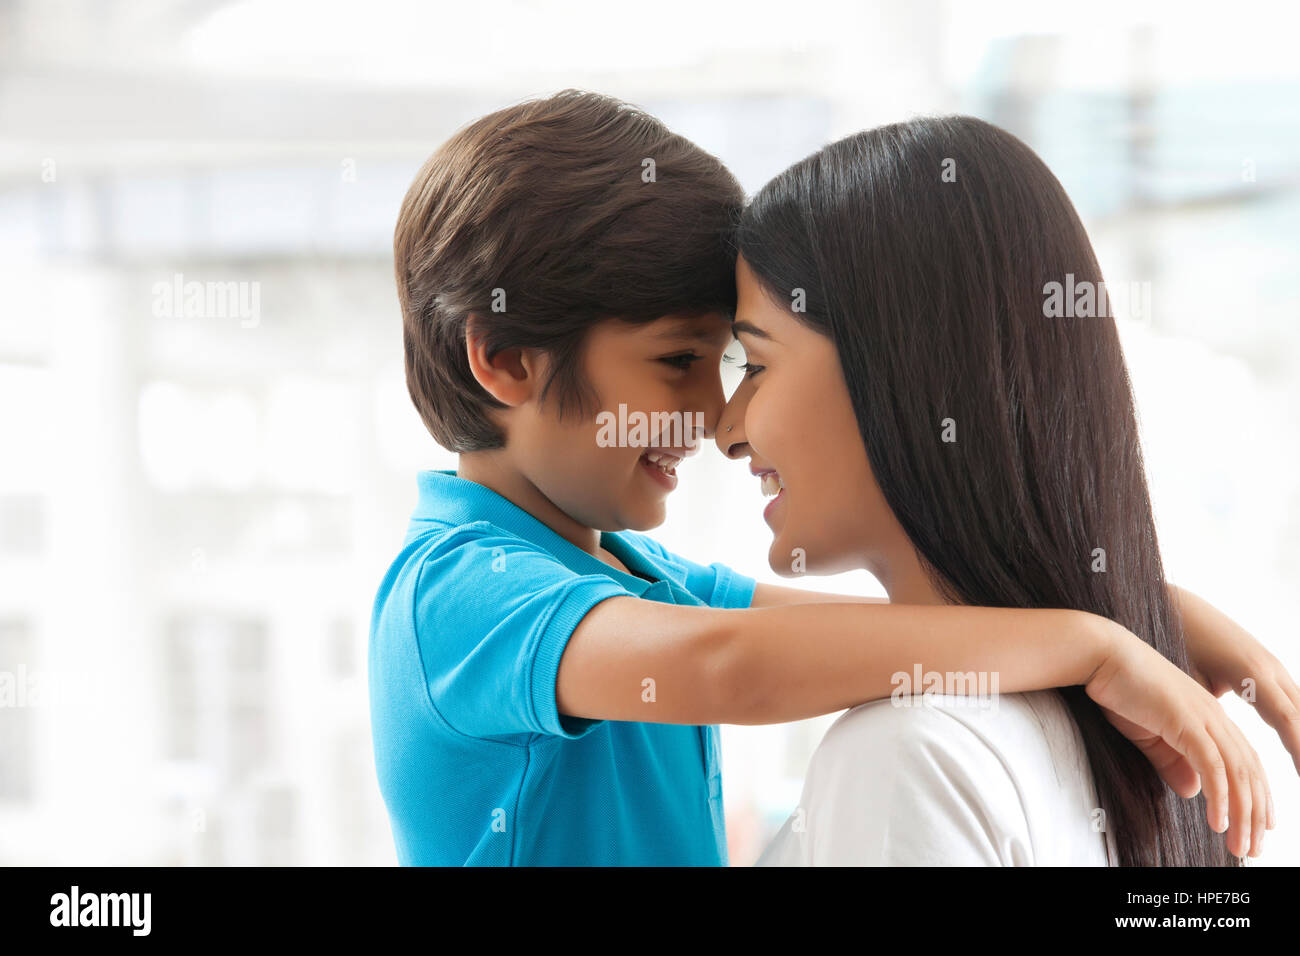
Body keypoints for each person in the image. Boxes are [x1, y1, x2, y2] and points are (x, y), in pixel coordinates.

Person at [370, 91, 1286, 866]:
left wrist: (1139, 610)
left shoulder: (640, 581)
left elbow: (907, 635)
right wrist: (1094, 646)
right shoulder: (454, 591)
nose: (712, 416)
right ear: (505, 361)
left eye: (735, 362)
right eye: (678, 359)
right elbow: (730, 669)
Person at [719, 115, 1279, 865]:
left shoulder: (908, 755)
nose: (727, 431)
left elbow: (712, 649)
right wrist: (1114, 624)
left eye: (754, 366)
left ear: (902, 370)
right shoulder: (1120, 737)